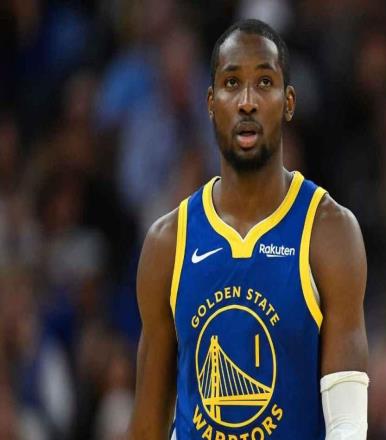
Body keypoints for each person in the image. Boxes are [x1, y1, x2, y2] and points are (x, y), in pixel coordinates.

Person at [128, 19, 369, 440]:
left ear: (288, 102)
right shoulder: (167, 242)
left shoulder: (329, 231)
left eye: (264, 83)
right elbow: (146, 428)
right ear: (210, 102)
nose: (247, 102)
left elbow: (348, 424)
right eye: (231, 83)